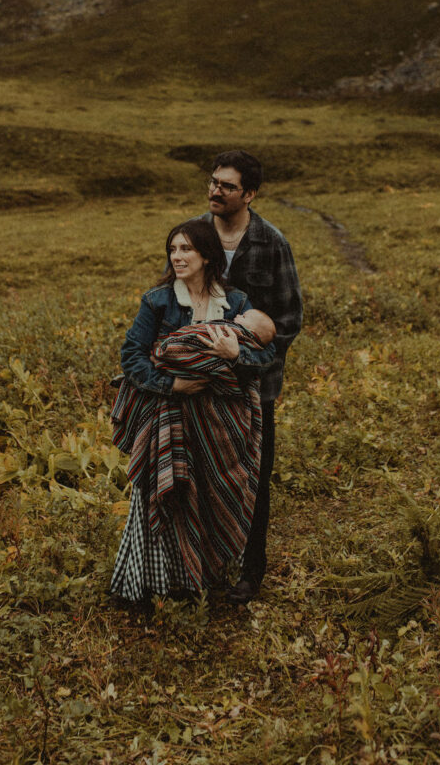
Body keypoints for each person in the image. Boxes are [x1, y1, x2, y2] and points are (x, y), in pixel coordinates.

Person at [109, 219, 275, 603]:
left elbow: (264, 355)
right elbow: (132, 356)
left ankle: (200, 576)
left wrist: (238, 355)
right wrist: (172, 385)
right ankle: (152, 581)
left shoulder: (235, 303)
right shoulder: (159, 300)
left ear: (207, 255)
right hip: (171, 414)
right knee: (166, 488)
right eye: (173, 250)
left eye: (186, 249)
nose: (177, 256)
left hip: (219, 421)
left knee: (212, 491)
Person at [202, 149, 303, 604]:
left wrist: (244, 358)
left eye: (226, 185)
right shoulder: (193, 235)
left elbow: (287, 320)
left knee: (253, 478)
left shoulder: (271, 242)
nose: (214, 190)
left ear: (249, 194)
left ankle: (250, 573)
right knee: (200, 474)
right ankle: (202, 567)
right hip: (200, 383)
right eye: (212, 181)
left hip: (253, 386)